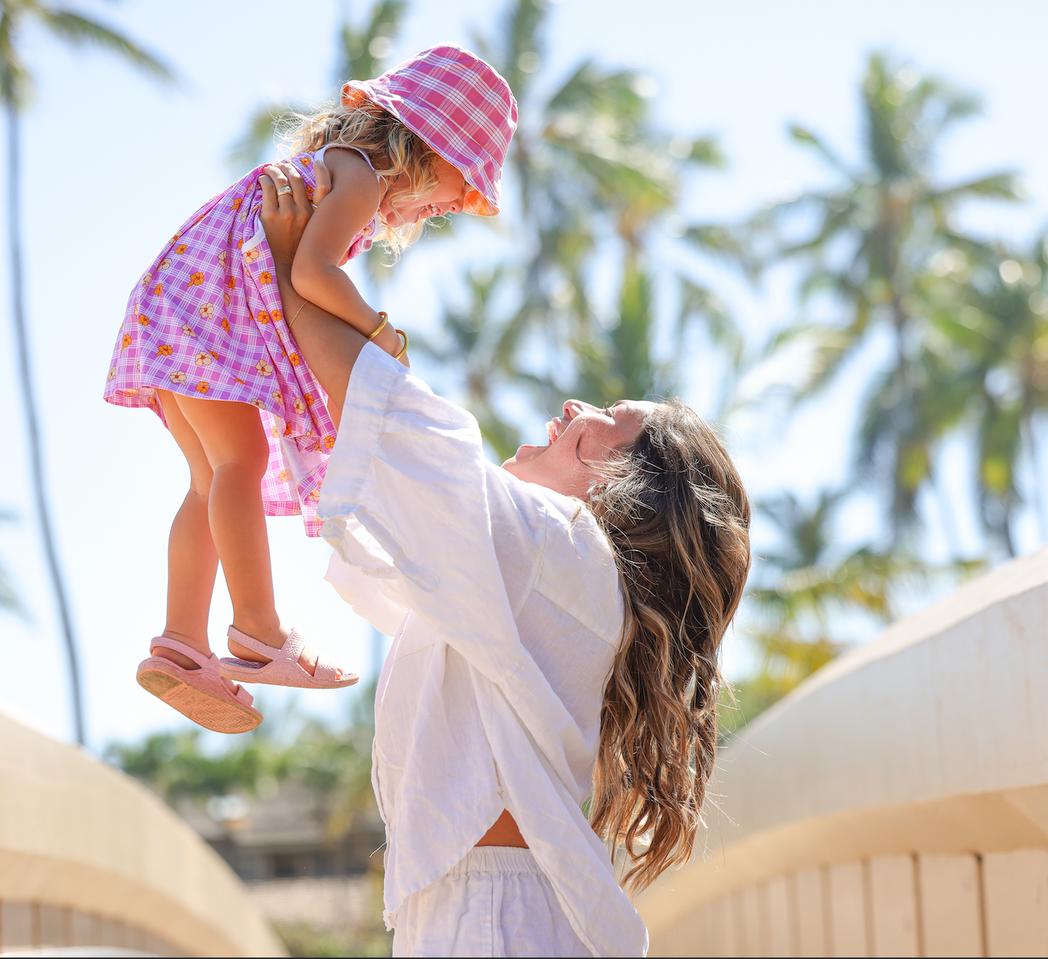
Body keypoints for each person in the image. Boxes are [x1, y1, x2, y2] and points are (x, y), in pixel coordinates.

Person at [255, 161, 752, 956]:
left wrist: (290, 266)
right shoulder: (545, 576)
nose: (573, 408)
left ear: (628, 484)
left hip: (493, 918)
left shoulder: (564, 546)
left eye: (607, 418)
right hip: (486, 908)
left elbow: (394, 418)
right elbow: (380, 454)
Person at [104, 45, 518, 733]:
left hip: (172, 310)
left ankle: (181, 642)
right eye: (461, 183)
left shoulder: (333, 166)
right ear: (430, 146)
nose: (455, 203)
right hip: (204, 318)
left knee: (209, 480)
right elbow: (311, 275)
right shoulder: (355, 176)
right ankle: (259, 631)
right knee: (240, 464)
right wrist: (379, 331)